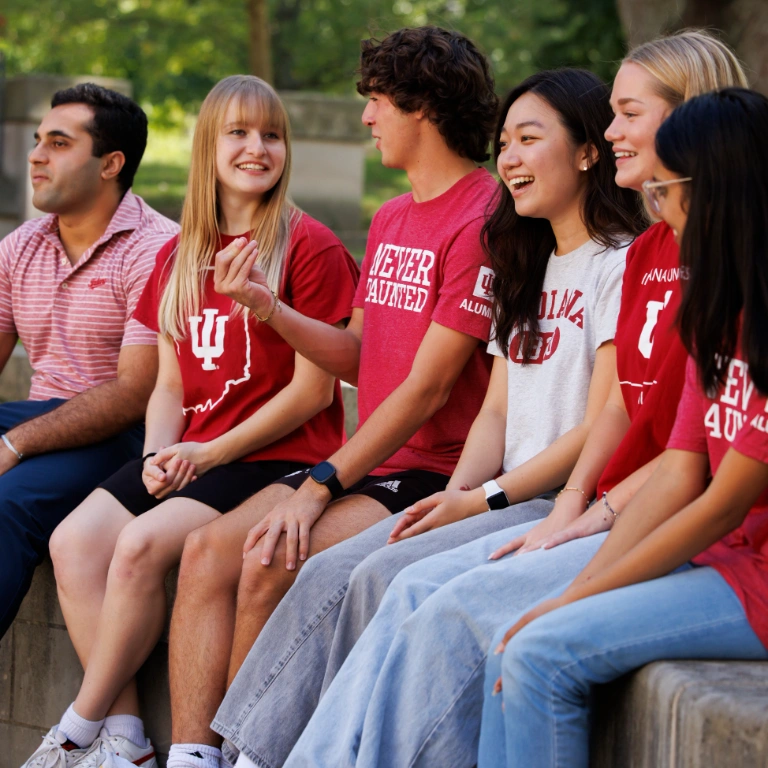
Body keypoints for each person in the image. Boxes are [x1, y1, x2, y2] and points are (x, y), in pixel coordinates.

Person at [276, 31, 748, 768]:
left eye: (628, 114)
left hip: (642, 519)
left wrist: (569, 533)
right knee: (401, 585)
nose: (613, 130)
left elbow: (687, 470)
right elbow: (641, 423)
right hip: (596, 504)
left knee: (481, 621)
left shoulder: (674, 267)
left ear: (696, 125)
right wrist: (492, 502)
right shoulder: (657, 253)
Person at [219, 65, 645, 768]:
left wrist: (480, 496)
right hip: (496, 490)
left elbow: (597, 428)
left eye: (529, 139)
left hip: (553, 501)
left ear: (588, 151)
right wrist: (460, 498)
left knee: (384, 578)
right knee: (339, 574)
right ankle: (248, 754)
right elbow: (497, 410)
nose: (508, 158)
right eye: (504, 141)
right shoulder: (529, 262)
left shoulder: (617, 265)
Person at [165, 26, 500, 768]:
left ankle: (242, 753)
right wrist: (268, 306)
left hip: (433, 469)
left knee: (266, 557)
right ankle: (192, 756)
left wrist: (321, 484)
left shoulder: (481, 219)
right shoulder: (391, 216)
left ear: (422, 106)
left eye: (377, 101)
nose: (366, 117)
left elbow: (428, 388)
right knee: (203, 552)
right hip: (374, 457)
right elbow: (362, 358)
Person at [21, 75, 359, 768]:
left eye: (272, 134)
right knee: (76, 541)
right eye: (238, 133)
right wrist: (159, 454)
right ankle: (127, 739)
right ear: (208, 145)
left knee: (141, 546)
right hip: (195, 450)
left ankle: (76, 728)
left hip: (270, 455)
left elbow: (313, 394)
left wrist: (205, 455)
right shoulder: (180, 253)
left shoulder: (309, 245)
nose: (257, 148)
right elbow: (169, 381)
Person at [478, 85, 768, 768]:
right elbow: (678, 468)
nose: (658, 213)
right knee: (511, 636)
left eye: (665, 191)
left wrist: (571, 604)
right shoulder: (720, 308)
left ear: (715, 189)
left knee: (543, 651)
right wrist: (572, 592)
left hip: (754, 579)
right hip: (733, 564)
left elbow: (723, 503)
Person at [0, 83, 178, 640]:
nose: (36, 155)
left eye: (58, 143)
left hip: (125, 437)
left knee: (8, 503)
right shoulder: (21, 246)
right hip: (40, 419)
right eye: (37, 141)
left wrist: (13, 445)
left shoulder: (156, 249)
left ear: (111, 164)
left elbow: (134, 393)